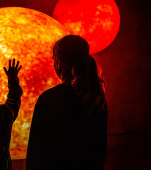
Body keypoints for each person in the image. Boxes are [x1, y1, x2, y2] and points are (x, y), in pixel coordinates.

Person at [26, 35, 108, 170]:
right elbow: (99, 150)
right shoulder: (97, 99)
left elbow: (37, 152)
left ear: (58, 62)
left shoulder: (50, 98)